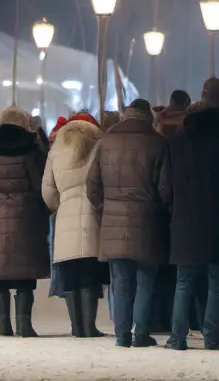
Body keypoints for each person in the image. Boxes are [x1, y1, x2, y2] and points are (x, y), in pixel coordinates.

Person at [87, 103, 172, 347]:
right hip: (148, 220)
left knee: (121, 282)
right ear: (149, 118)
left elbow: (91, 186)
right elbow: (165, 189)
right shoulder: (158, 143)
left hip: (113, 220)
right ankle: (141, 333)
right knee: (146, 281)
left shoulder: (105, 143)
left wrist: (106, 208)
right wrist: (163, 211)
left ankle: (122, 335)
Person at [165, 98, 219, 350]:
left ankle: (177, 337)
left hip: (183, 222)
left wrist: (171, 208)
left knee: (183, 282)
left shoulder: (176, 144)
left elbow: (166, 185)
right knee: (217, 283)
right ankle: (212, 337)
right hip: (216, 222)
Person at [0, 106, 50, 337]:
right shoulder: (32, 150)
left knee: (0, 278)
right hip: (26, 217)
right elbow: (40, 185)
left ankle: (4, 326)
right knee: (25, 276)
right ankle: (25, 325)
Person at [43, 115, 106, 337]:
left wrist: (60, 207)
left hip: (65, 217)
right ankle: (90, 326)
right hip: (93, 216)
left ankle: (76, 326)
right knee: (90, 273)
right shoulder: (99, 146)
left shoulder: (56, 151)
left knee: (70, 274)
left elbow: (48, 190)